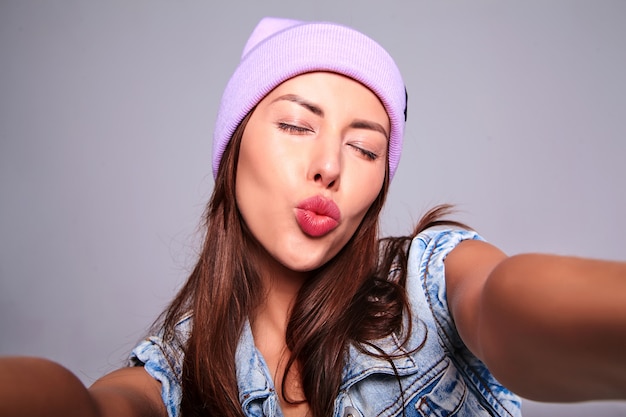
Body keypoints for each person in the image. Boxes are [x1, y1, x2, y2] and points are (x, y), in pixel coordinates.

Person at [1, 16, 625, 417]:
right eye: (298, 125)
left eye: (365, 148)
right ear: (234, 147)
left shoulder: (429, 281)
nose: (330, 165)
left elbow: (507, 301)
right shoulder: (173, 374)